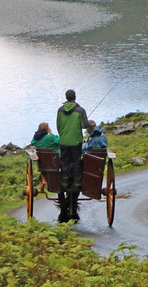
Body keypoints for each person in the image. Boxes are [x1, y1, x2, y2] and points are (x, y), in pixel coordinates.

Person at [56, 89, 88, 222]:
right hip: (75, 141)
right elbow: (85, 125)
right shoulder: (80, 110)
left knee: (64, 162)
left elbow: (58, 126)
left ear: (66, 98)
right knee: (75, 161)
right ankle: (76, 182)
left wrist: (64, 134)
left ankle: (64, 181)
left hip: (64, 141)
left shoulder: (60, 110)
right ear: (75, 98)